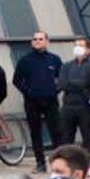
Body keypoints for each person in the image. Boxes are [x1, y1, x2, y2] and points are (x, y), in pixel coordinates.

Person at [13, 32, 62, 171]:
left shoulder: (54, 59)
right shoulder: (25, 60)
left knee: (56, 133)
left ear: (47, 41)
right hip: (32, 102)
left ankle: (58, 163)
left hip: (51, 101)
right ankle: (40, 163)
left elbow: (62, 77)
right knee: (35, 133)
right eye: (34, 39)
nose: (37, 41)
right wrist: (28, 92)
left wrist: (55, 90)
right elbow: (16, 80)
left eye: (40, 39)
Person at [58, 37, 90, 150]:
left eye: (81, 45)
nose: (77, 48)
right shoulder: (66, 66)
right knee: (66, 140)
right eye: (76, 45)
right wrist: (81, 84)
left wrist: (73, 83)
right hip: (68, 107)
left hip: (86, 107)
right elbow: (62, 84)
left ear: (88, 50)